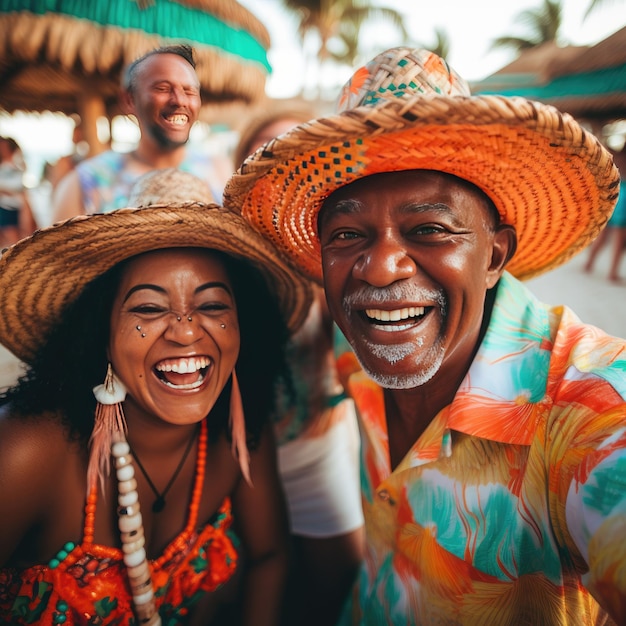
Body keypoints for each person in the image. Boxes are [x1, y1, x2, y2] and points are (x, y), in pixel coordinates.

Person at [224, 47, 626, 624]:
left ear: (495, 256)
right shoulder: (352, 347)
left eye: (430, 229)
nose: (382, 266)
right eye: (347, 234)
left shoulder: (588, 407)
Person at [0, 198, 313, 624]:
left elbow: (270, 556)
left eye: (212, 306)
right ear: (100, 334)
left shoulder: (238, 433)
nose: (186, 332)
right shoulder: (27, 450)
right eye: (148, 308)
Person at [234, 104, 365, 625]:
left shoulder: (337, 246)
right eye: (264, 151)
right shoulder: (221, 252)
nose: (278, 161)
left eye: (293, 152)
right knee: (249, 582)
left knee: (338, 584)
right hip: (236, 457)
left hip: (316, 445)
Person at [51, 44, 230, 220]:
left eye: (189, 91)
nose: (179, 101)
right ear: (129, 100)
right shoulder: (86, 184)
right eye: (163, 88)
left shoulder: (221, 174)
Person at [584, 142, 626, 282]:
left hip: (613, 194)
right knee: (618, 239)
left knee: (603, 234)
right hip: (622, 198)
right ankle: (612, 272)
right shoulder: (620, 157)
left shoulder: (617, 156)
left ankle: (589, 263)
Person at [0, 136, 36, 247]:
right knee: (13, 242)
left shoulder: (18, 164)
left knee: (22, 240)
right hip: (5, 207)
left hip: (19, 207)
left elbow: (18, 186)